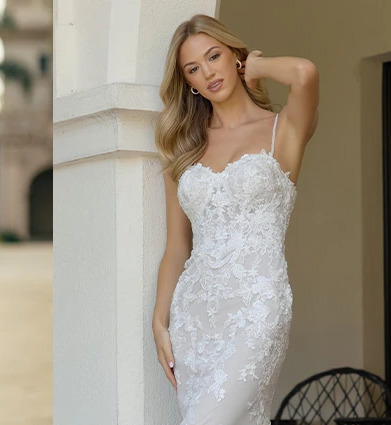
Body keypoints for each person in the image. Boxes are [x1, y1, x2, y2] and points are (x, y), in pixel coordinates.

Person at [151, 14, 319, 424]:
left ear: (234, 56)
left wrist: (256, 67)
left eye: (214, 56)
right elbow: (177, 247)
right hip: (194, 316)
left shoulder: (283, 129)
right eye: (194, 68)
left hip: (257, 310)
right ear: (188, 82)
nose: (207, 72)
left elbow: (305, 73)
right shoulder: (184, 151)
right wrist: (159, 319)